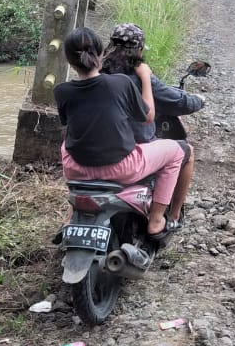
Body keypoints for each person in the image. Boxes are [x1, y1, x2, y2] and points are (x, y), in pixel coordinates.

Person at [54, 27, 189, 243]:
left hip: (76, 170)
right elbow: (147, 116)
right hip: (121, 168)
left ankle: (71, 217)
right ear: (99, 54)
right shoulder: (121, 83)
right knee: (178, 151)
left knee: (67, 142)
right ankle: (157, 220)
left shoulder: (61, 91)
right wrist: (145, 77)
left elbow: (71, 124)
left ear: (69, 61)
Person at [102, 23, 202, 225]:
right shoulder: (140, 77)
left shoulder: (97, 74)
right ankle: (169, 217)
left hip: (98, 150)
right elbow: (176, 102)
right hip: (132, 152)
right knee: (186, 152)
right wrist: (199, 100)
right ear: (139, 50)